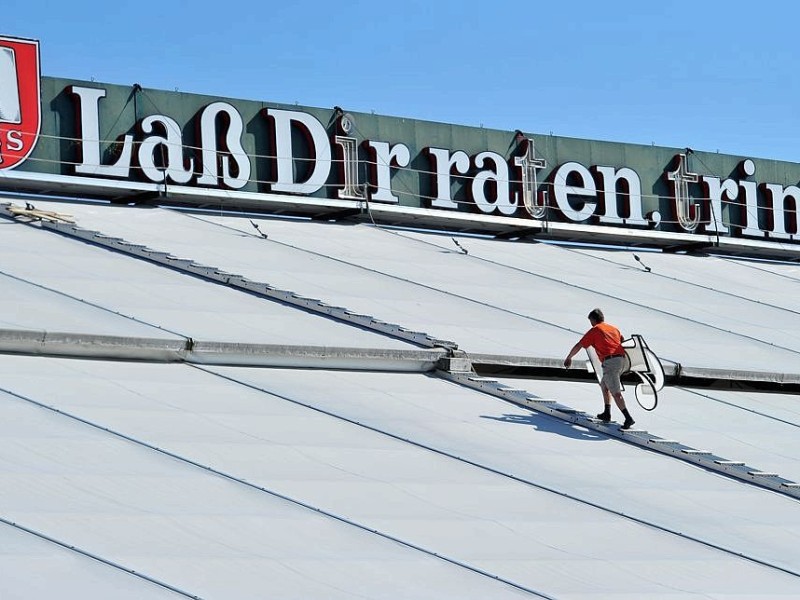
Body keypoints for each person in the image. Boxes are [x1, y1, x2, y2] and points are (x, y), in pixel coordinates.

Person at [563, 308, 635, 430]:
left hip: (610, 362)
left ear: (593, 319)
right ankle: (607, 413)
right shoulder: (614, 328)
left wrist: (569, 357)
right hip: (621, 360)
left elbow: (579, 345)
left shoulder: (595, 330)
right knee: (604, 385)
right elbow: (622, 342)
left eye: (590, 321)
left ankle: (628, 418)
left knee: (616, 393)